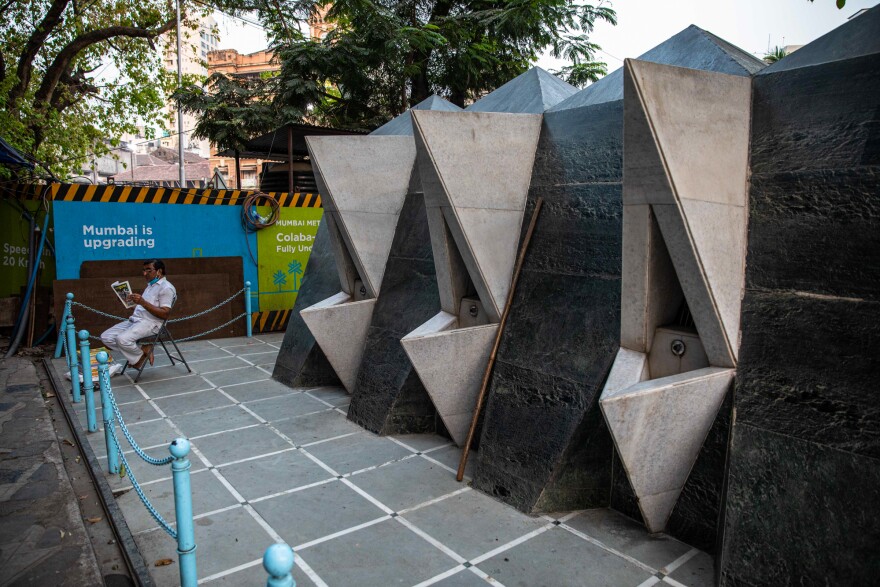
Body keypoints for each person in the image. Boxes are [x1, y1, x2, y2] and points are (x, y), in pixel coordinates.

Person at [101, 259, 176, 370]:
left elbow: (165, 314)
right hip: (137, 320)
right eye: (144, 270)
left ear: (159, 271)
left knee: (122, 339)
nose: (144, 273)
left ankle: (139, 357)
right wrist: (125, 301)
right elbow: (142, 309)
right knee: (106, 337)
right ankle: (142, 353)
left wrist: (142, 302)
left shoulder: (166, 288)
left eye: (148, 270)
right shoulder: (151, 286)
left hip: (152, 323)